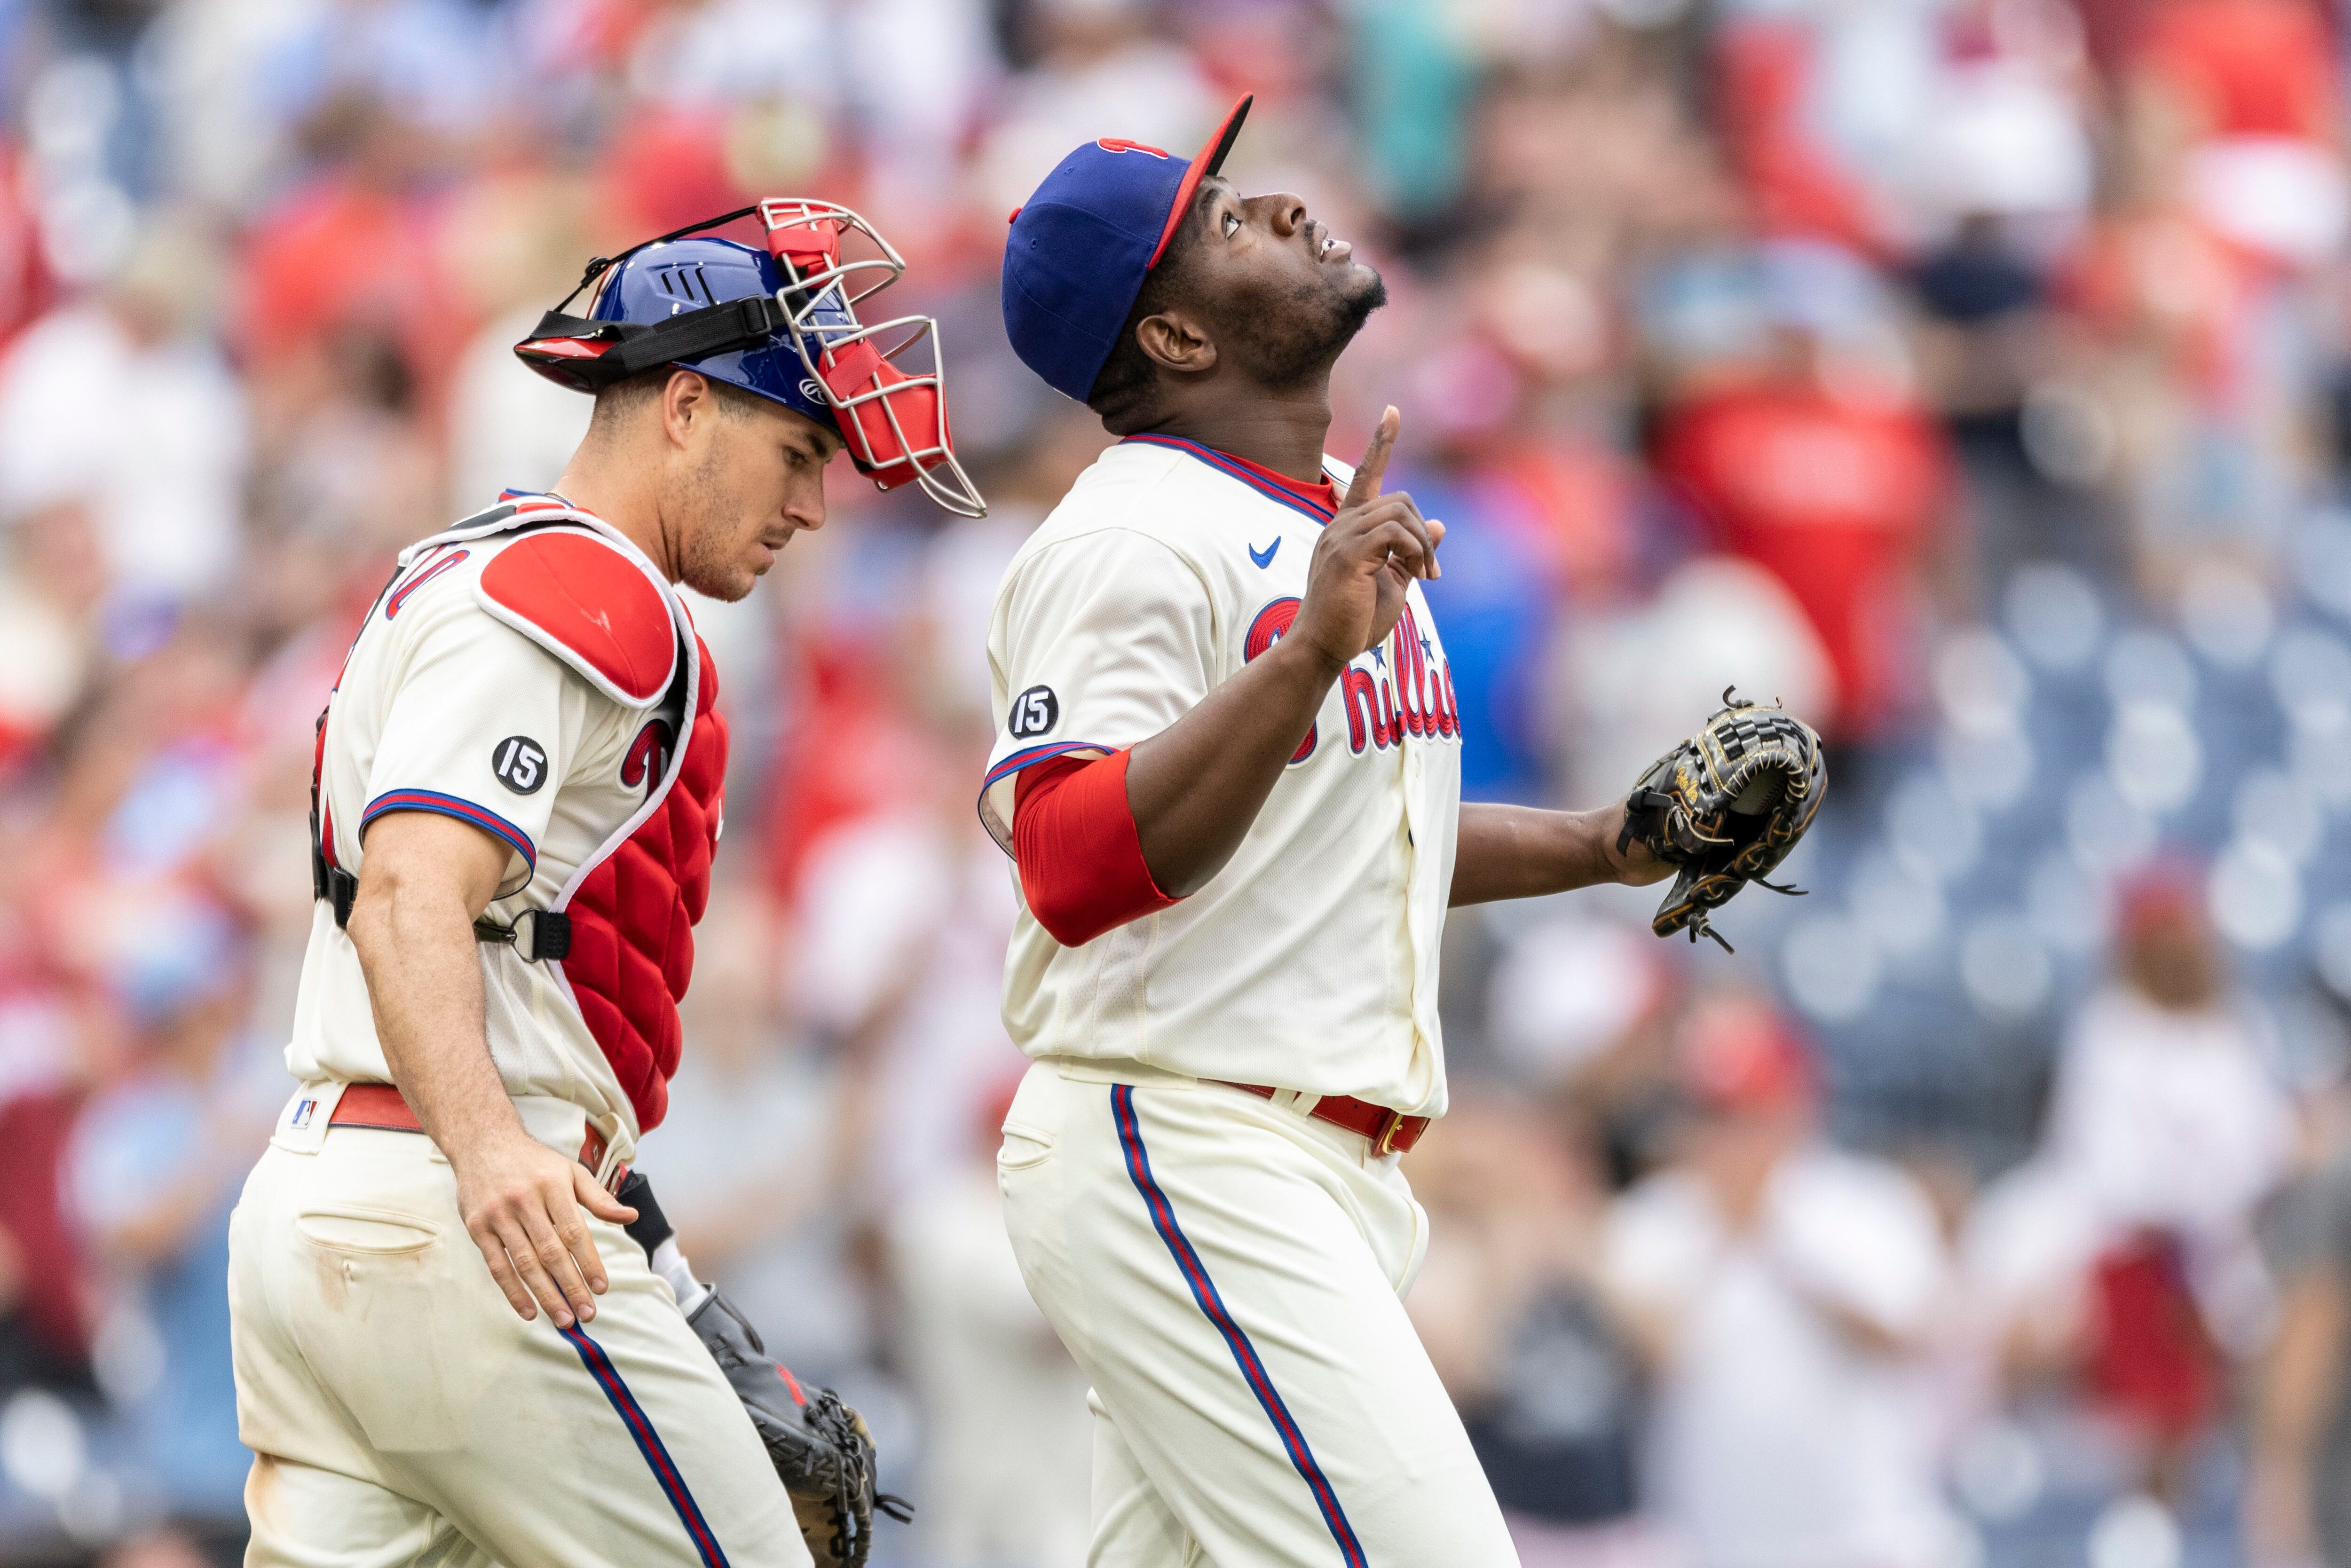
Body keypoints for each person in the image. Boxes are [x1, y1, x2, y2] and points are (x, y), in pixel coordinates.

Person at [983, 97, 1692, 1568]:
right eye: (1227, 224)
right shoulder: (1134, 531)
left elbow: (1356, 836)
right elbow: (1064, 863)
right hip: (1184, 1138)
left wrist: (1602, 843)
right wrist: (1303, 656)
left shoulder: (1316, 525)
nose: (1286, 210)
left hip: (1302, 1156)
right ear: (1174, 341)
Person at [226, 198, 978, 1568]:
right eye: (799, 449)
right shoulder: (586, 588)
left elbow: (534, 974)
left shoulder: (472, 566)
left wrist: (654, 1251)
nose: (814, 505)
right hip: (461, 1214)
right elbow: (412, 887)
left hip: (335, 1200)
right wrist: (492, 1148)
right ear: (685, 405)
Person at [1601, 997, 1956, 1568]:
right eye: (1712, 1113)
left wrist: (1779, 1240)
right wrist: (1722, 1239)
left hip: (1869, 1537)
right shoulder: (1651, 1221)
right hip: (1707, 1544)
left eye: (1749, 1111)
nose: (1730, 1135)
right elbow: (1644, 1358)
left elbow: (1911, 1337)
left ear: (1796, 1106)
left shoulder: (1865, 1203)